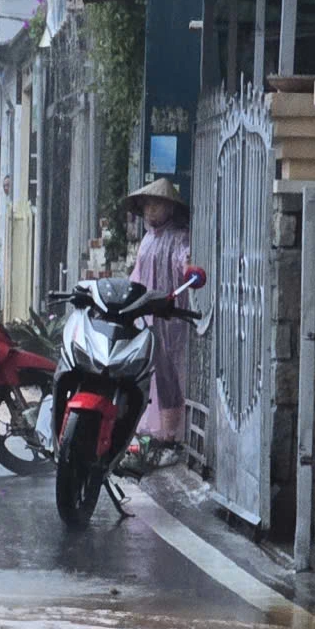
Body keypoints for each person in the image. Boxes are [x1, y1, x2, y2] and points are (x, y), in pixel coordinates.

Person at [124, 177, 193, 461]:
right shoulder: (148, 240)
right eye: (147, 205)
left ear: (170, 208)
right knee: (156, 372)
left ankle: (174, 433)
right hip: (148, 315)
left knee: (174, 372)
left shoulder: (179, 237)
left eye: (157, 205)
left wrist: (189, 269)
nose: (151, 211)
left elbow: (185, 263)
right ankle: (159, 431)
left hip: (173, 316)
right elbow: (137, 275)